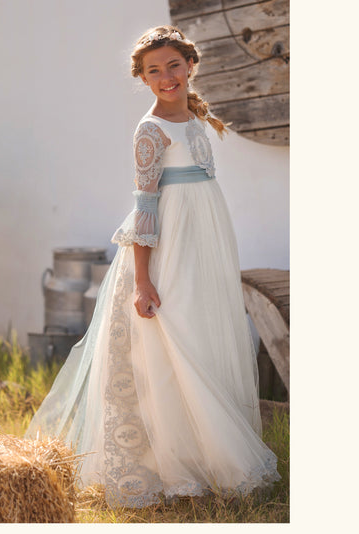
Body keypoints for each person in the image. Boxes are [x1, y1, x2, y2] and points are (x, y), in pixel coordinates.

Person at [25, 25, 281, 508]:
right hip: (167, 250)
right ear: (142, 79)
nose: (166, 77)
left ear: (190, 66)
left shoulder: (196, 120)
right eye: (154, 71)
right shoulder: (150, 130)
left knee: (203, 336)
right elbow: (145, 206)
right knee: (173, 341)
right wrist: (142, 281)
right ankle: (174, 463)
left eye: (173, 66)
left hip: (203, 242)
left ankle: (204, 457)